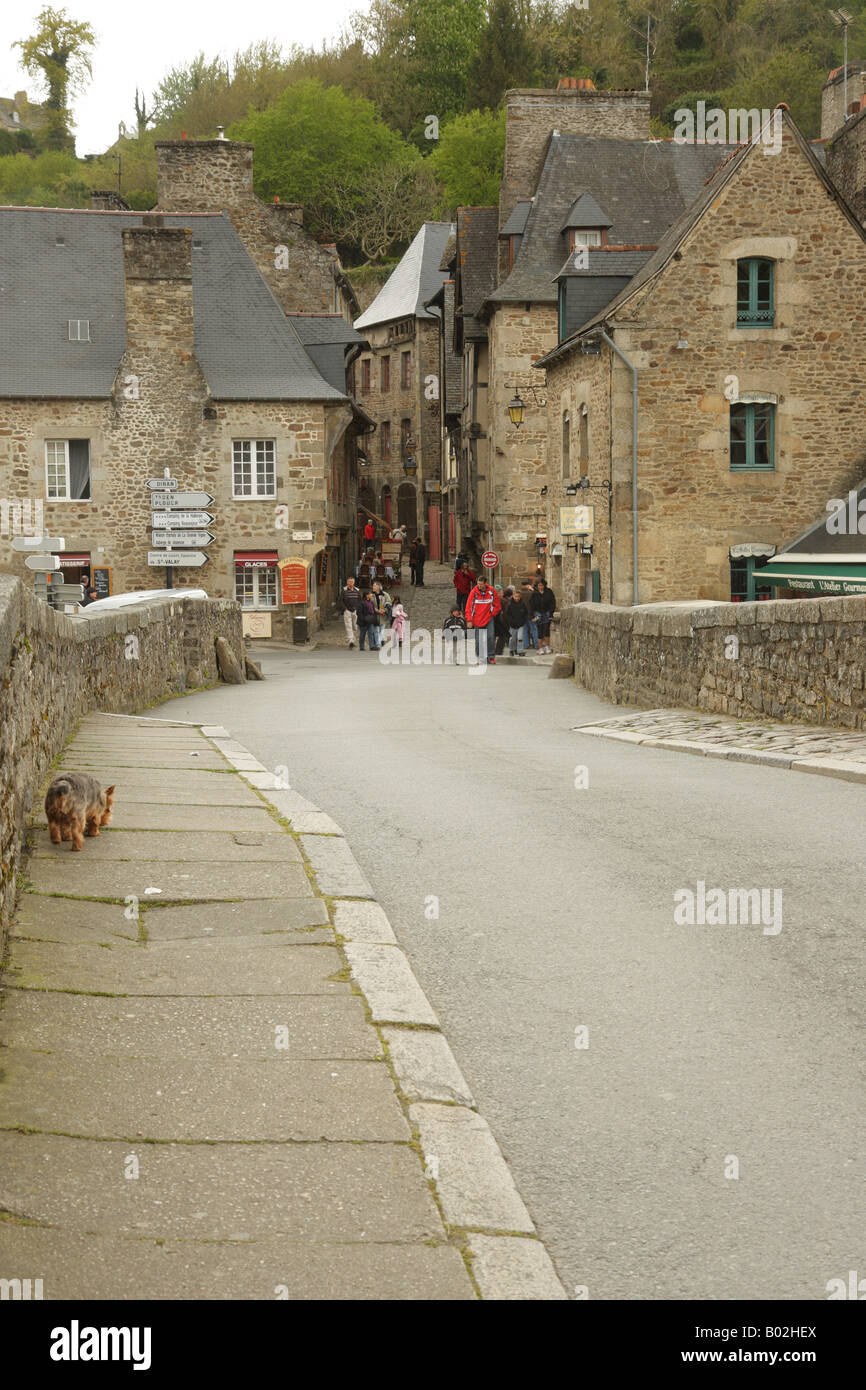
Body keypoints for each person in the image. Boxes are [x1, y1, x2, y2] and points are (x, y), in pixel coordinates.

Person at [465, 574, 501, 665]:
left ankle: (491, 656)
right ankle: (480, 657)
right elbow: (468, 607)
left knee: (490, 637)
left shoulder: (492, 591)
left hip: (488, 618)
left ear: (485, 583)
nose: (479, 586)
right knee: (479, 639)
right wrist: (469, 620)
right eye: (478, 584)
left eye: (481, 584)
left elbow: (497, 604)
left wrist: (492, 614)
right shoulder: (474, 592)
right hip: (477, 619)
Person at [533, 579, 556, 653]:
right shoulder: (534, 593)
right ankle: (540, 648)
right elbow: (531, 605)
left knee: (546, 630)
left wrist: (551, 613)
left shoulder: (549, 592)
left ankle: (547, 646)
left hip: (547, 612)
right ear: (537, 586)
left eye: (542, 585)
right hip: (537, 613)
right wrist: (532, 616)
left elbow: (553, 602)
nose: (541, 587)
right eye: (539, 585)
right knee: (539, 630)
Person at [337, 577, 362, 648]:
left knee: (355, 626)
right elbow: (340, 601)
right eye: (349, 582)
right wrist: (345, 609)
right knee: (348, 626)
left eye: (352, 582)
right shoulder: (344, 591)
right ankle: (351, 641)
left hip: (355, 611)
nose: (351, 583)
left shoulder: (357, 590)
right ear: (347, 582)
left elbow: (360, 600)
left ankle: (353, 639)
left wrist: (358, 609)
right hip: (347, 610)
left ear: (354, 582)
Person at [505, 589, 530, 655]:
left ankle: (520, 651)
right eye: (516, 596)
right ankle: (511, 649)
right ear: (513, 596)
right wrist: (510, 622)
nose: (517, 598)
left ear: (520, 597)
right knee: (512, 638)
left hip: (520, 624)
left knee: (520, 638)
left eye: (518, 596)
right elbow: (507, 614)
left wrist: (523, 621)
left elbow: (526, 613)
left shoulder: (522, 604)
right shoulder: (510, 604)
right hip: (512, 625)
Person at [521, 581, 539, 650]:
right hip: (530, 614)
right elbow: (534, 603)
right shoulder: (531, 593)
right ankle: (536, 644)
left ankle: (526, 644)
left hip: (523, 615)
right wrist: (533, 590)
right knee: (534, 629)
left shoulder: (519, 593)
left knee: (525, 630)